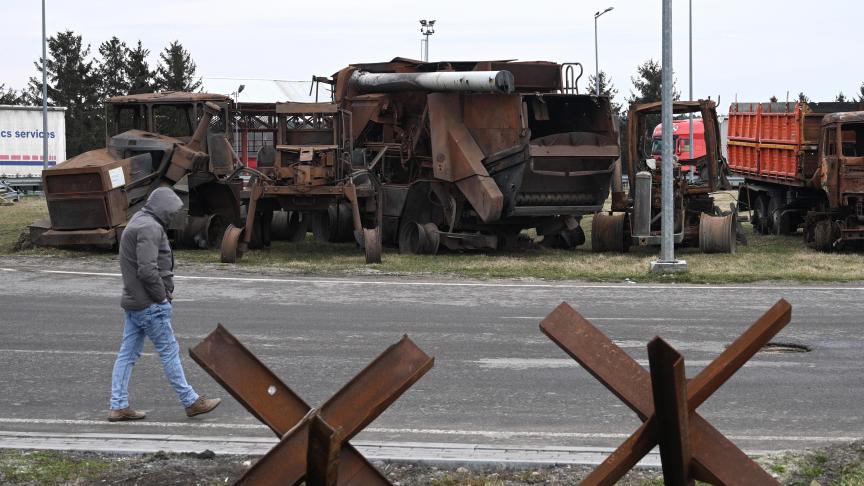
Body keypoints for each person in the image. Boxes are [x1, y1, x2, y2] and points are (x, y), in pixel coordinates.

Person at [108, 187, 220, 422]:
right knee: (169, 352)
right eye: (172, 211)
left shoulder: (139, 219)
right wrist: (162, 297)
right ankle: (191, 401)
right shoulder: (150, 227)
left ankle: (118, 405)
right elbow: (148, 270)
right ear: (163, 208)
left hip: (134, 302)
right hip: (150, 305)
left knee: (127, 355)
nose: (173, 216)